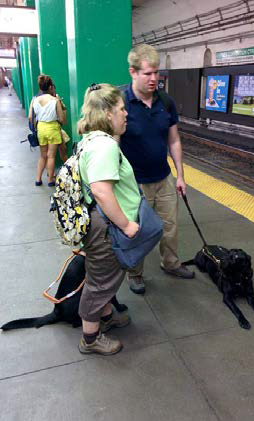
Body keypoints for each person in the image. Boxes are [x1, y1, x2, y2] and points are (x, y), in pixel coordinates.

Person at [120, 44, 194, 295]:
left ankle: (171, 263)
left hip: (163, 178)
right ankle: (135, 272)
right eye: (147, 73)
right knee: (137, 230)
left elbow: (173, 140)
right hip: (134, 184)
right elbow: (114, 147)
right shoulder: (122, 104)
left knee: (169, 226)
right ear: (133, 72)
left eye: (156, 73)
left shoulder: (165, 102)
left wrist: (180, 175)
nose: (154, 79)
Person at [77, 83, 141, 356]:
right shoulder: (105, 146)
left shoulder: (92, 140)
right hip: (106, 226)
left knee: (103, 277)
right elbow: (102, 191)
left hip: (100, 224)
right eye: (121, 109)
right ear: (106, 113)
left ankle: (106, 318)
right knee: (100, 282)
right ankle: (90, 340)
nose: (126, 114)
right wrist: (126, 225)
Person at [29, 74, 66, 186]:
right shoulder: (55, 100)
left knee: (43, 155)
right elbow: (62, 118)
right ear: (50, 87)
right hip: (52, 129)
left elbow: (30, 117)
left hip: (41, 128)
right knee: (51, 156)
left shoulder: (34, 100)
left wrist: (36, 126)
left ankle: (38, 179)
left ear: (40, 87)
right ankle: (50, 180)